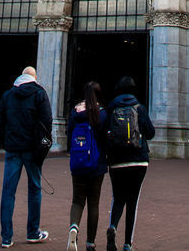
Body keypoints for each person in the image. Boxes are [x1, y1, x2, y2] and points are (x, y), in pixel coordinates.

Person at [0, 66, 52, 248]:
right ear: (34, 77)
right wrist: (41, 144)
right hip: (32, 150)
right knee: (34, 188)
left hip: (13, 149)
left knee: (8, 192)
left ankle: (6, 237)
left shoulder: (8, 95)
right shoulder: (40, 94)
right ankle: (33, 232)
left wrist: (8, 140)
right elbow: (47, 121)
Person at [104, 76, 154, 251]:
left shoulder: (111, 108)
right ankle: (127, 244)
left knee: (118, 198)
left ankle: (113, 227)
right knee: (133, 201)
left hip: (116, 161)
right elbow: (151, 132)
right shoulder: (140, 108)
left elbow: (104, 133)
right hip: (138, 160)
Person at [66, 81, 107, 251]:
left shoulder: (76, 112)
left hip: (78, 162)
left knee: (77, 200)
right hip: (96, 163)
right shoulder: (102, 113)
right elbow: (106, 138)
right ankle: (90, 243)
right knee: (93, 203)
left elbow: (69, 136)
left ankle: (74, 227)